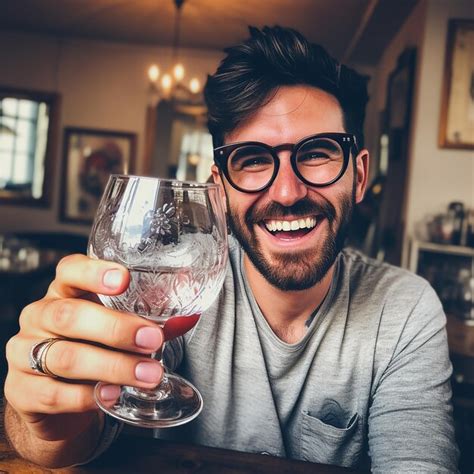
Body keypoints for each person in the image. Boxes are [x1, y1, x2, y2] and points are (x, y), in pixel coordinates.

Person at [4, 26, 459, 471]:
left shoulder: (404, 308)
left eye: (318, 152)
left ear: (359, 175)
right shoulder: (181, 285)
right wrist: (48, 425)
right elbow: (69, 439)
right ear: (218, 190)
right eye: (254, 160)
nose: (285, 192)